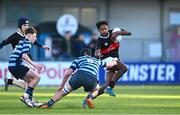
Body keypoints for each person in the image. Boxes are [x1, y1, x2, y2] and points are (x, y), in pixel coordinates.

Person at [39, 48, 117, 109]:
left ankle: (49, 103)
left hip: (79, 75)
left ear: (81, 54)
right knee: (96, 89)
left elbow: (67, 73)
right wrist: (114, 61)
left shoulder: (78, 59)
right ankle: (90, 98)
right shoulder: (97, 60)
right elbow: (109, 65)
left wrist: (61, 86)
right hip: (91, 78)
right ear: (90, 54)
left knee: (64, 92)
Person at [0, 17, 49, 91]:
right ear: (20, 26)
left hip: (27, 58)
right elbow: (4, 43)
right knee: (31, 81)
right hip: (21, 60)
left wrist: (42, 46)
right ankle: (28, 98)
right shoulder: (14, 36)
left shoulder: (27, 35)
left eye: (27, 25)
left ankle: (9, 81)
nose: (27, 27)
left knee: (28, 83)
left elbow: (34, 41)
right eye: (24, 25)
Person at [94, 20, 132, 97]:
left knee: (105, 85)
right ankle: (111, 87)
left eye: (105, 28)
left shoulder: (113, 32)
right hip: (107, 60)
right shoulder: (100, 40)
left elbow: (129, 33)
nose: (104, 30)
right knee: (124, 68)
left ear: (108, 28)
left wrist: (117, 33)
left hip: (114, 59)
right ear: (99, 31)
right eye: (102, 29)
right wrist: (98, 54)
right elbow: (97, 51)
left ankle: (89, 98)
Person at [8, 27, 43, 107]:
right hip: (16, 65)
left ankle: (30, 100)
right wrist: (34, 65)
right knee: (37, 77)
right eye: (34, 36)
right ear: (29, 36)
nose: (35, 38)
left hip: (12, 66)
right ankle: (26, 97)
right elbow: (24, 55)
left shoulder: (22, 41)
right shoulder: (27, 43)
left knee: (30, 81)